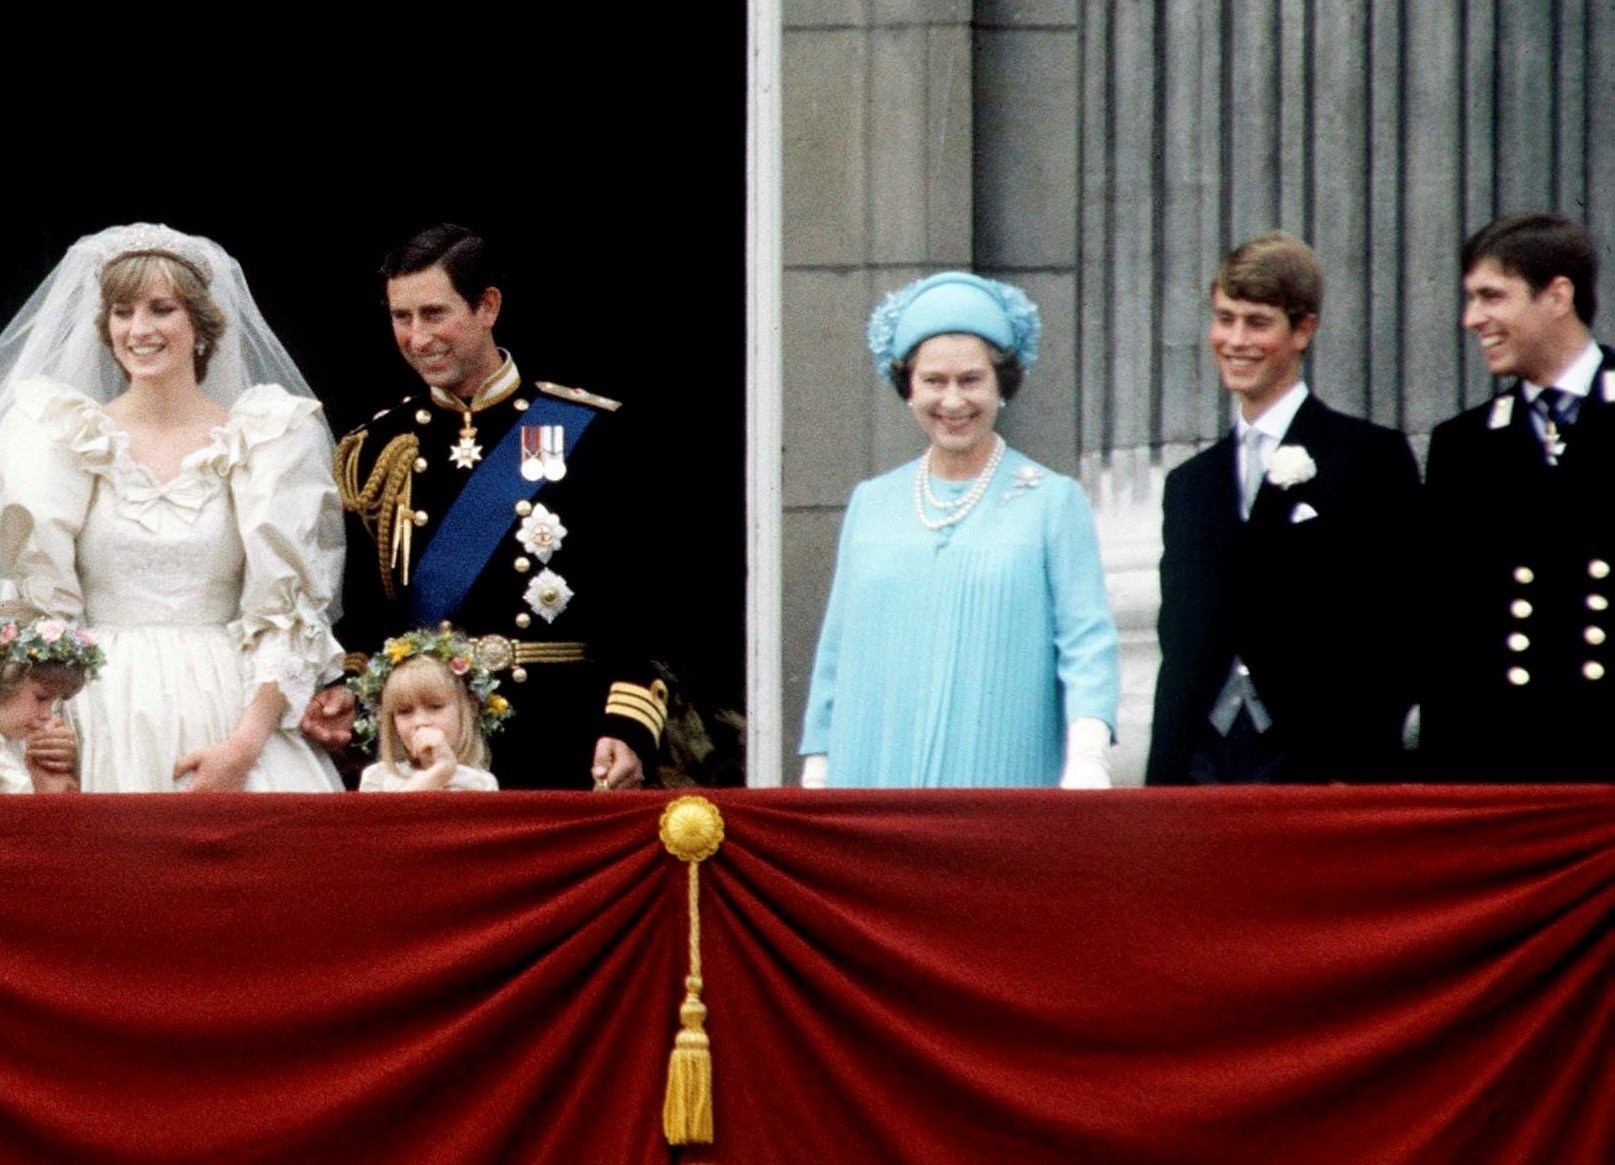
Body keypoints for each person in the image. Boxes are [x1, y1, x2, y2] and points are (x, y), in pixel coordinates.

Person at [302, 224, 666, 790]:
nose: (418, 338)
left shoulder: (582, 429)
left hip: (560, 733)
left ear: (487, 306)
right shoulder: (377, 448)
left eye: (434, 313)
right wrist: (349, 689)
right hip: (426, 743)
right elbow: (366, 614)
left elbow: (637, 600)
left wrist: (629, 725)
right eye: (402, 318)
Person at [0, 223, 345, 793]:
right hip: (97, 713)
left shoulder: (264, 438)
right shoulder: (63, 437)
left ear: (201, 324)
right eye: (121, 311)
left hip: (231, 711)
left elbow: (286, 614)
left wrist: (242, 748)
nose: (139, 329)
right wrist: (50, 737)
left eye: (161, 309)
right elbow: (37, 610)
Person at [798, 272, 1119, 788]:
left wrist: (1087, 754)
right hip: (873, 773)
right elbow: (836, 651)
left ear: (1001, 384)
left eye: (971, 380)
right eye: (934, 381)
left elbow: (1086, 642)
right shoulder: (872, 502)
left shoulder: (1052, 501)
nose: (952, 401)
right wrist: (818, 769)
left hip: (1000, 781)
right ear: (908, 386)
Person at [1145, 231, 1421, 785]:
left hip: (1324, 763)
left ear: (1303, 330)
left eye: (1257, 321)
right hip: (1205, 766)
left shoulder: (1367, 456)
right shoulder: (1190, 484)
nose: (1235, 339)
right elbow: (1180, 647)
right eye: (1224, 318)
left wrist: (1364, 761)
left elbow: (1401, 624)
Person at [1422, 213, 1615, 781]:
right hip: (1508, 773)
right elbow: (1444, 639)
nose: (1471, 319)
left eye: (1491, 297)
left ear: (1557, 295)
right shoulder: (1462, 446)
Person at [351, 627, 505, 792]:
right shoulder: (378, 778)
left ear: (470, 707)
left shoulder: (479, 783)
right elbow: (391, 816)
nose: (420, 722)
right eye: (404, 711)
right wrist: (440, 772)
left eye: (435, 707)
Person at [0, 606, 103, 794]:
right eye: (41, 698)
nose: (47, 715)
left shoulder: (19, 744)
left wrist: (52, 772)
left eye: (54, 703)